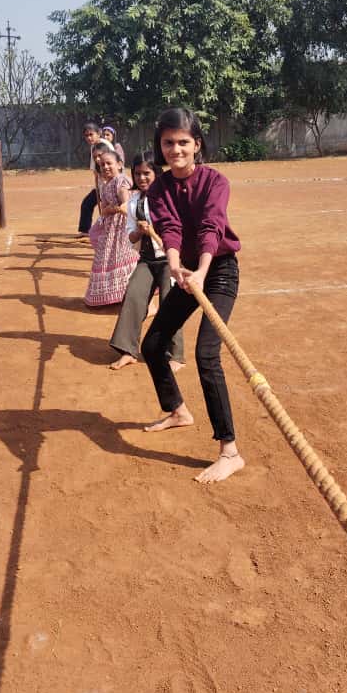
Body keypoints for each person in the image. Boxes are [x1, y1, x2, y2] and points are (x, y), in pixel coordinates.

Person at [141, 107, 244, 484]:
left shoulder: (216, 181)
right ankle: (178, 410)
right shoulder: (158, 189)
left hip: (218, 270)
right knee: (154, 344)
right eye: (168, 143)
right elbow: (169, 228)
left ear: (197, 144)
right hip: (186, 272)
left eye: (183, 142)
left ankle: (230, 452)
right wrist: (175, 267)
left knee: (206, 354)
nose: (176, 150)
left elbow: (210, 227)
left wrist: (201, 271)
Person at [109, 151, 185, 371]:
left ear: (157, 173)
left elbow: (178, 228)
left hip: (169, 258)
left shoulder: (169, 196)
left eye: (146, 173)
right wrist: (140, 232)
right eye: (137, 174)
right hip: (147, 259)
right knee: (133, 294)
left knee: (170, 302)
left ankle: (175, 354)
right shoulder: (134, 202)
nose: (141, 178)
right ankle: (128, 350)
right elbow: (130, 237)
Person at [84, 150, 138, 307]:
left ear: (119, 165)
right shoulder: (106, 184)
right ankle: (114, 295)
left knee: (123, 258)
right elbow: (105, 209)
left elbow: (125, 204)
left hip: (122, 228)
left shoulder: (121, 181)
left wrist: (115, 208)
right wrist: (108, 210)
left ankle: (132, 297)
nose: (105, 167)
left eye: (109, 163)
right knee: (107, 258)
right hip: (110, 229)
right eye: (102, 165)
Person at [77, 122, 114, 236]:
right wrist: (98, 187)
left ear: (98, 133)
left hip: (111, 184)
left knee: (112, 209)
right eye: (86, 135)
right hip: (102, 183)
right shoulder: (94, 146)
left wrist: (106, 186)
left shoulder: (104, 146)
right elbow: (95, 171)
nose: (89, 138)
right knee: (88, 204)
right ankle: (85, 230)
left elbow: (112, 166)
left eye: (91, 134)